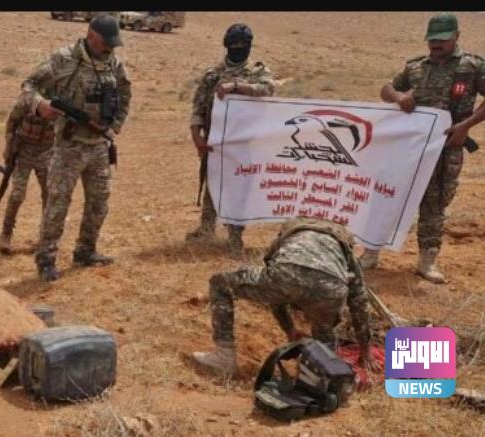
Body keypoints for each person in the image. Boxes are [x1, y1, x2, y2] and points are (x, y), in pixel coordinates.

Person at [360, 12, 485, 283]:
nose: (436, 44)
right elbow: (386, 89)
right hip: (408, 149)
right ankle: (370, 253)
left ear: (457, 36)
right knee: (388, 195)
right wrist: (398, 96)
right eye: (433, 40)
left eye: (443, 39)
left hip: (446, 148)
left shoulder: (472, 66)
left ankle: (427, 262)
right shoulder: (415, 67)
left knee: (434, 203)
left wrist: (465, 127)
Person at [192, 217, 380, 377]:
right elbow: (359, 302)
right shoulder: (343, 247)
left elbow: (274, 288)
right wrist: (365, 350)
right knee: (324, 331)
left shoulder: (291, 233)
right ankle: (322, 373)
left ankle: (224, 356)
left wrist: (289, 328)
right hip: (331, 290)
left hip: (286, 276)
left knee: (220, 283)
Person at [20, 14, 132, 281]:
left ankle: (86, 251)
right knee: (58, 204)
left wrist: (115, 125)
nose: (110, 47)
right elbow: (28, 86)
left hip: (99, 147)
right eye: (106, 42)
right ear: (91, 34)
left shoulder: (114, 64)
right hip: (69, 147)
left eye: (113, 43)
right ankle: (46, 259)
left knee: (99, 203)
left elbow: (125, 93)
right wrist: (40, 104)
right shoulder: (63, 59)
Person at [187, 23, 276, 254]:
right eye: (234, 44)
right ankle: (206, 228)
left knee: (238, 188)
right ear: (227, 46)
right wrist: (196, 136)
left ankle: (235, 236)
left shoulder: (257, 71)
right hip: (214, 141)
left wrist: (236, 87)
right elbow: (198, 107)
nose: (239, 48)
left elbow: (268, 89)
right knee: (212, 183)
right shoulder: (213, 74)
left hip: (244, 143)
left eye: (243, 45)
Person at [0, 97, 55, 254]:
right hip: (23, 152)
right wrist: (8, 147)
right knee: (17, 194)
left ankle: (45, 236)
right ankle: (6, 233)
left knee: (49, 194)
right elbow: (11, 123)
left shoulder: (60, 101)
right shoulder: (26, 102)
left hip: (47, 153)